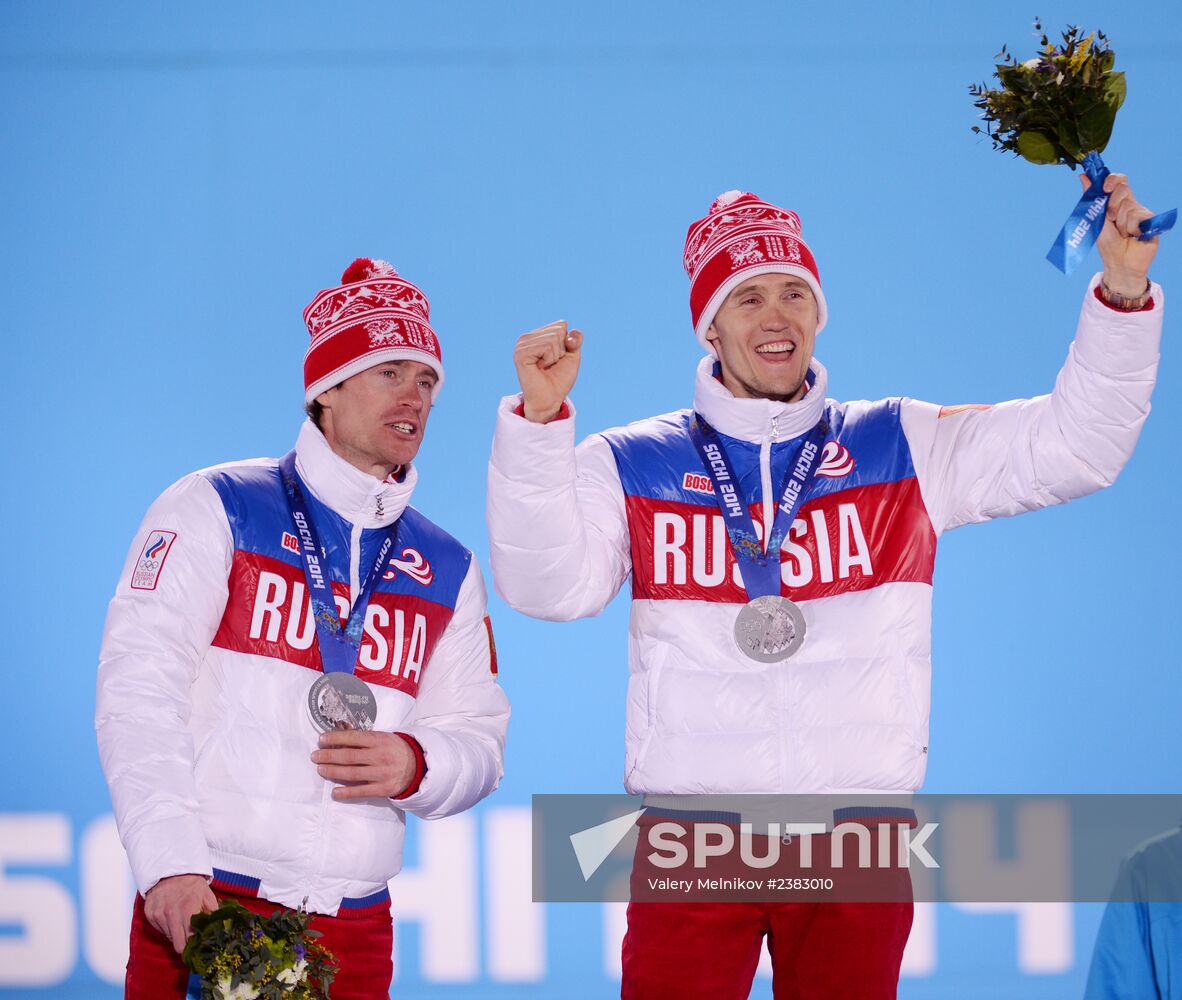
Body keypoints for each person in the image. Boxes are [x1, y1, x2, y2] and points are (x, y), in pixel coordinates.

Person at [486, 177, 1164, 998]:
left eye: (796, 294)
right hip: (696, 839)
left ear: (819, 313)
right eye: (749, 298)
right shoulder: (632, 462)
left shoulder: (901, 442)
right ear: (709, 326)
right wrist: (535, 429)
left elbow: (1077, 446)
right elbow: (547, 586)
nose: (777, 317)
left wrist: (1123, 292)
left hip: (855, 836)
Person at [97, 258, 509, 1000]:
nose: (415, 396)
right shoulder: (216, 505)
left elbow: (480, 741)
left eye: (428, 381)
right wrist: (168, 864)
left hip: (355, 923)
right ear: (327, 388)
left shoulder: (445, 564)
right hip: (213, 900)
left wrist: (418, 763)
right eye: (389, 371)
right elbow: (137, 691)